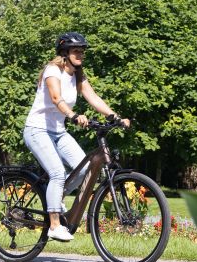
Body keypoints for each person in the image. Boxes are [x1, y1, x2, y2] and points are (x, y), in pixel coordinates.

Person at [23, 32, 129, 242]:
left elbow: (93, 98)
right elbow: (56, 98)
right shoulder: (52, 70)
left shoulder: (78, 75)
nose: (81, 55)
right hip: (37, 130)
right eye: (76, 51)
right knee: (57, 173)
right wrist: (72, 115)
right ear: (64, 53)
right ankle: (54, 225)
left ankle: (56, 198)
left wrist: (115, 117)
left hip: (58, 132)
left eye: (82, 51)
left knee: (84, 168)